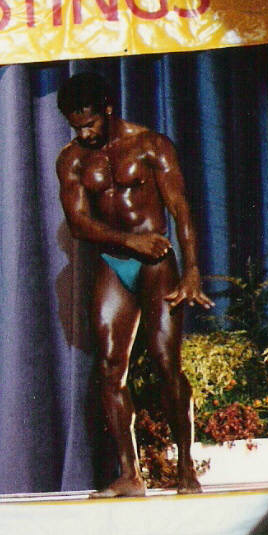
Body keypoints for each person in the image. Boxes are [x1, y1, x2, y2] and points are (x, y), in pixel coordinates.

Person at [54, 72, 214, 497]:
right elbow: (78, 222)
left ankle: (186, 468)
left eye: (89, 124)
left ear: (108, 109)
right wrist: (128, 242)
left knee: (166, 364)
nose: (84, 134)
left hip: (157, 263)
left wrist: (192, 270)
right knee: (110, 367)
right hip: (115, 262)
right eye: (76, 126)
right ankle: (131, 474)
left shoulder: (150, 145)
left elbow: (180, 209)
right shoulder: (72, 159)